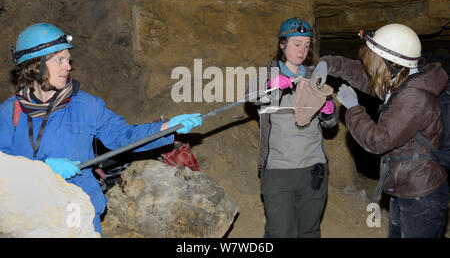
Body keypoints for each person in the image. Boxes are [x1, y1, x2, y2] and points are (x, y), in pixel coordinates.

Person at [0, 23, 203, 236]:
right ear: (35, 66)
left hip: (76, 210)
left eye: (68, 60)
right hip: (27, 213)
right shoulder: (8, 113)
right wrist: (41, 169)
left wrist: (167, 127)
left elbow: (123, 137)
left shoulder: (87, 106)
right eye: (59, 60)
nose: (68, 67)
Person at [320, 23, 449, 238]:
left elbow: (378, 141)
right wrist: (331, 64)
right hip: (406, 190)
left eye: (374, 62)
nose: (369, 68)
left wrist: (353, 109)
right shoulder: (405, 81)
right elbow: (369, 79)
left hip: (421, 197)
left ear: (391, 64)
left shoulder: (414, 98)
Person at [248, 17, 338, 238]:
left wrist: (328, 110)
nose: (302, 50)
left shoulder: (315, 77)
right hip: (278, 170)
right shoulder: (266, 75)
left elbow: (330, 123)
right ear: (282, 44)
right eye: (296, 44)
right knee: (280, 233)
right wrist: (271, 86)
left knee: (309, 231)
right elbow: (250, 95)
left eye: (306, 45)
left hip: (313, 170)